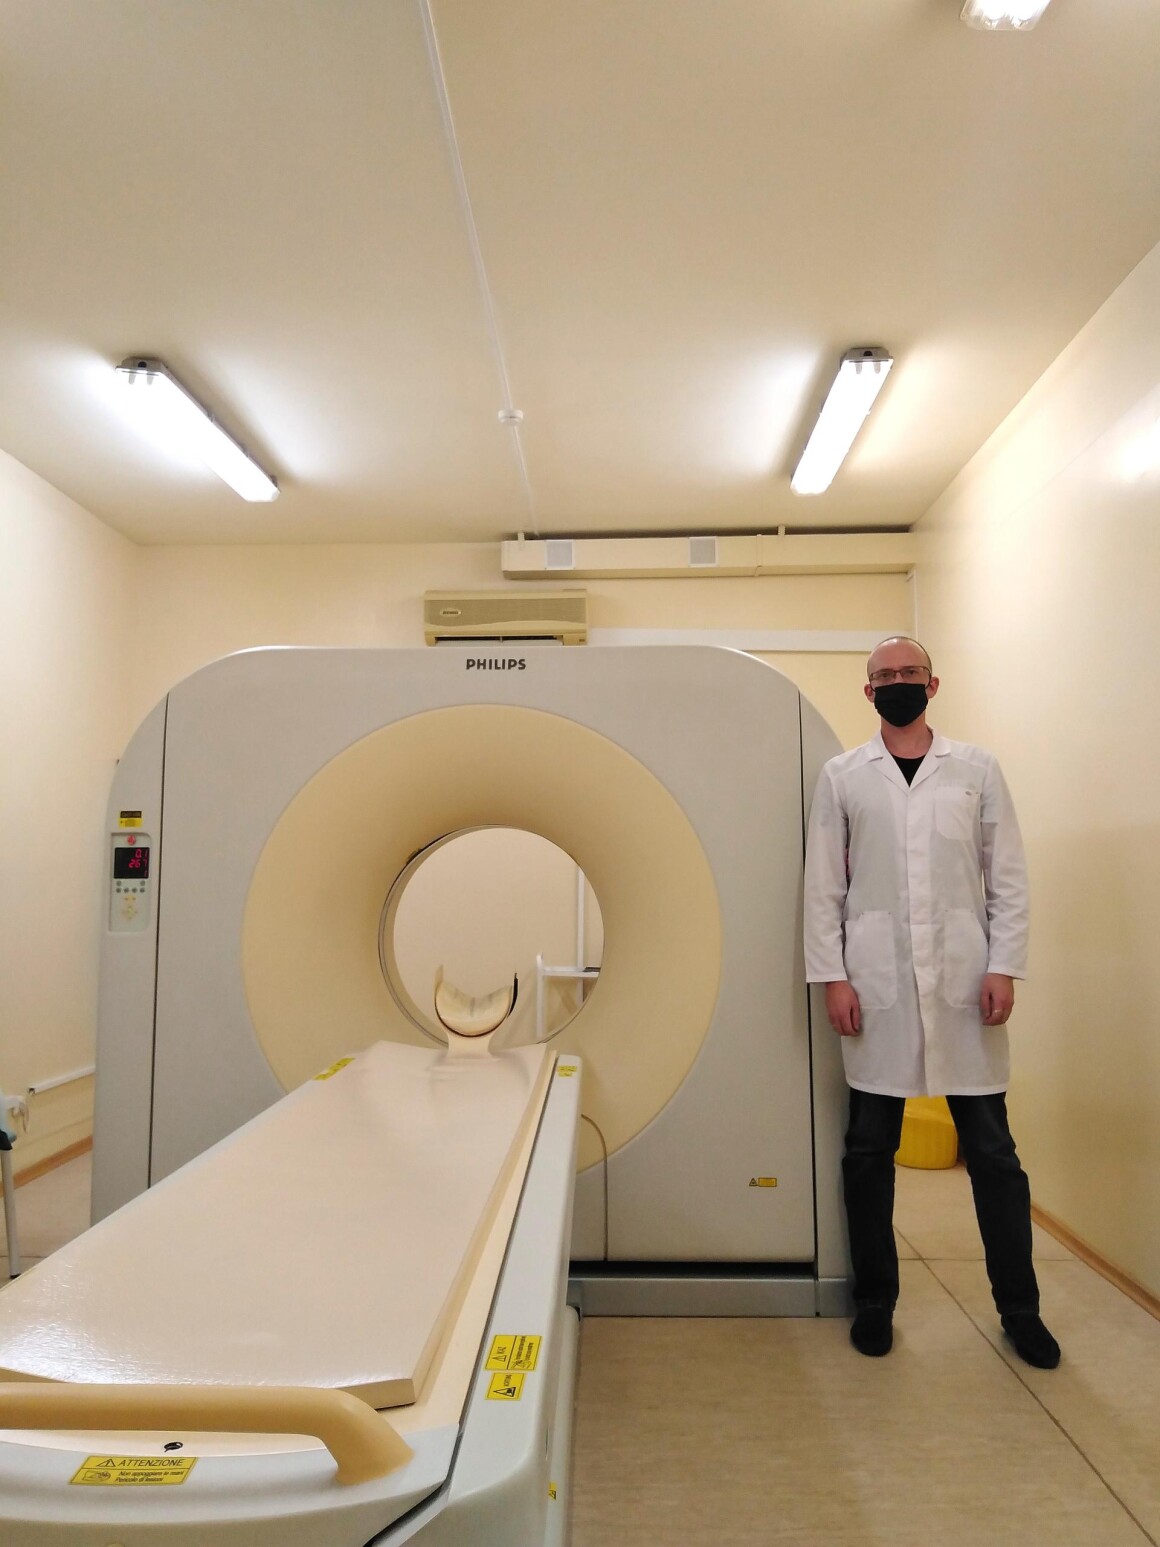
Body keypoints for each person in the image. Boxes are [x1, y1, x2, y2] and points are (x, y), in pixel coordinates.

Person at [803, 635, 1060, 1368]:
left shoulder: (976, 768)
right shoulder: (843, 775)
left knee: (994, 1155)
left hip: (964, 982)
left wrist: (1004, 964)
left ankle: (1020, 1309)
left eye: (908, 672)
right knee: (867, 1153)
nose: (897, 683)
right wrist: (834, 976)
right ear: (868, 692)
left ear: (932, 683)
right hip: (875, 983)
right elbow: (823, 885)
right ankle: (875, 1302)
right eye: (884, 676)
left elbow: (1006, 874)